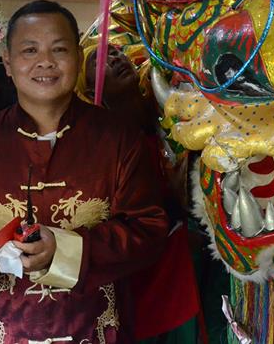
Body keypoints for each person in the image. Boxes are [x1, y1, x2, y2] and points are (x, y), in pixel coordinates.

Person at [0, 0, 170, 342]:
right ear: (7, 62)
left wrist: (66, 250)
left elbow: (150, 228)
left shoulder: (119, 140)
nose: (45, 62)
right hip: (1, 331)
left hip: (97, 330)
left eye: (59, 49)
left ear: (78, 58)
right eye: (30, 50)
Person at [77, 44, 202, 343]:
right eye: (99, 60)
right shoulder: (101, 145)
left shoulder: (168, 110)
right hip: (145, 271)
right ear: (89, 88)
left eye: (116, 51)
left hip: (187, 264)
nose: (114, 58)